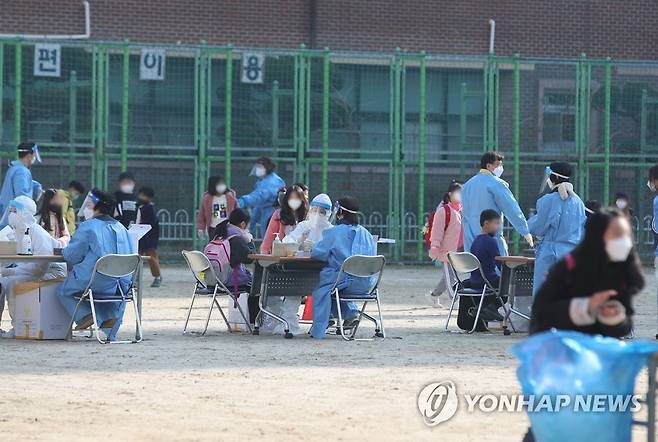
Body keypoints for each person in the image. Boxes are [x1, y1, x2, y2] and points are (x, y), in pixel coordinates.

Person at [523, 209, 644, 442]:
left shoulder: (619, 273)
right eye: (616, 235)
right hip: (561, 364)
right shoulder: (567, 268)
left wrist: (614, 316)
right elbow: (542, 315)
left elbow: (624, 326)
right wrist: (586, 307)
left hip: (601, 368)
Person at [57, 189, 133, 340]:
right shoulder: (122, 229)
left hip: (94, 280)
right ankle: (110, 323)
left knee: (63, 290)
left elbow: (72, 256)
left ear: (96, 207)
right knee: (107, 294)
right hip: (121, 284)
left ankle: (87, 316)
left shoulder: (88, 226)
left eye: (89, 204)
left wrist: (62, 250)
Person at [310, 196, 376, 339]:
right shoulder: (367, 234)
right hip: (366, 284)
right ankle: (351, 313)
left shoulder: (334, 232)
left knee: (321, 288)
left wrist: (311, 246)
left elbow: (318, 254)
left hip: (345, 280)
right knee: (333, 289)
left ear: (339, 212)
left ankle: (320, 327)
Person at [0, 196, 66, 337]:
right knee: (1, 282)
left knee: (12, 284)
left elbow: (39, 267)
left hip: (53, 272)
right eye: (11, 210)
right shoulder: (15, 231)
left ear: (25, 213)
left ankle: (18, 327)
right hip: (33, 271)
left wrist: (11, 271)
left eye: (15, 210)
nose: (11, 214)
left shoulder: (38, 233)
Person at [527, 162, 585, 295]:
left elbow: (540, 227)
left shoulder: (548, 200)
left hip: (550, 254)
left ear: (555, 178)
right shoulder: (578, 203)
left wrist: (526, 226)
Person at [461, 151, 532, 256]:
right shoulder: (496, 183)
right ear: (489, 166)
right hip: (492, 240)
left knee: (476, 270)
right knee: (496, 270)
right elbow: (511, 208)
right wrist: (524, 230)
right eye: (498, 165)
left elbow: (465, 216)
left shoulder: (467, 186)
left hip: (471, 241)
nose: (501, 168)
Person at [206, 209, 258, 322]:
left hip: (213, 279)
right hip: (231, 280)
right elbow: (250, 258)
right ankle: (254, 321)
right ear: (243, 224)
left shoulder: (220, 233)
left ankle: (253, 321)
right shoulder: (236, 238)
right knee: (258, 285)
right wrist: (249, 241)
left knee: (254, 283)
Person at [427, 181, 463, 307]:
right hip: (446, 251)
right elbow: (437, 231)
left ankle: (434, 295)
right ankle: (455, 299)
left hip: (458, 251)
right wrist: (434, 246)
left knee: (448, 276)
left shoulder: (462, 211)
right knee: (451, 276)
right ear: (450, 194)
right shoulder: (444, 211)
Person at [238, 157, 286, 236]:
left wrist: (244, 200)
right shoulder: (263, 181)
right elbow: (259, 206)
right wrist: (250, 227)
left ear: (267, 167)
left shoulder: (271, 182)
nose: (257, 169)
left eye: (260, 167)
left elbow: (259, 196)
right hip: (268, 215)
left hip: (273, 216)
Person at [260, 184, 309, 254]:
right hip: (283, 255)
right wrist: (264, 253)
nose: (294, 201)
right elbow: (269, 236)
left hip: (302, 255)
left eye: (297, 198)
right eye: (291, 198)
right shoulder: (278, 215)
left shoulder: (307, 215)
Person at [0, 143, 42, 219]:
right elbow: (21, 198)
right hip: (12, 218)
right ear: (29, 156)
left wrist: (34, 185)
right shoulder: (21, 171)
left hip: (8, 213)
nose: (34, 157)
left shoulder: (15, 168)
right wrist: (27, 212)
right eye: (34, 155)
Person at [196, 175, 238, 240]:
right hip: (213, 228)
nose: (221, 186)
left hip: (228, 227)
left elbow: (237, 211)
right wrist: (201, 228)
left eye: (222, 183)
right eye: (218, 184)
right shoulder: (207, 198)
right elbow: (202, 214)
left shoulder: (230, 197)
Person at [136, 187, 162, 288]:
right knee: (136, 258)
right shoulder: (138, 207)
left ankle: (157, 277)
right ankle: (135, 278)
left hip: (149, 238)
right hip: (139, 236)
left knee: (151, 257)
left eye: (144, 195)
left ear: (149, 198)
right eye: (141, 194)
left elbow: (151, 224)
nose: (141, 197)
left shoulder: (149, 208)